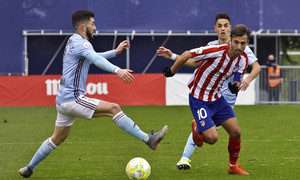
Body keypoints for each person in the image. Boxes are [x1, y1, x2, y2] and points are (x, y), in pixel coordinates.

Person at [18, 10, 168, 178]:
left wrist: (115, 52)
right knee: (114, 108)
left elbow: (92, 57)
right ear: (83, 27)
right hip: (73, 98)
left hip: (62, 100)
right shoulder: (82, 43)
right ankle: (149, 139)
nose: (95, 27)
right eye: (93, 24)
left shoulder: (73, 41)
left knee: (56, 139)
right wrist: (117, 70)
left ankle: (29, 167)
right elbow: (95, 59)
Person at [157, 13, 260, 173]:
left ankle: (233, 166)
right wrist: (172, 71)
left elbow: (238, 74)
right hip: (199, 98)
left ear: (247, 44)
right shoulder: (215, 49)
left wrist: (236, 85)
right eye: (236, 42)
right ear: (231, 39)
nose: (239, 47)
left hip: (217, 99)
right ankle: (196, 128)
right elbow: (187, 55)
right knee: (212, 139)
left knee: (236, 132)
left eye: (243, 44)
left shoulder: (244, 58)